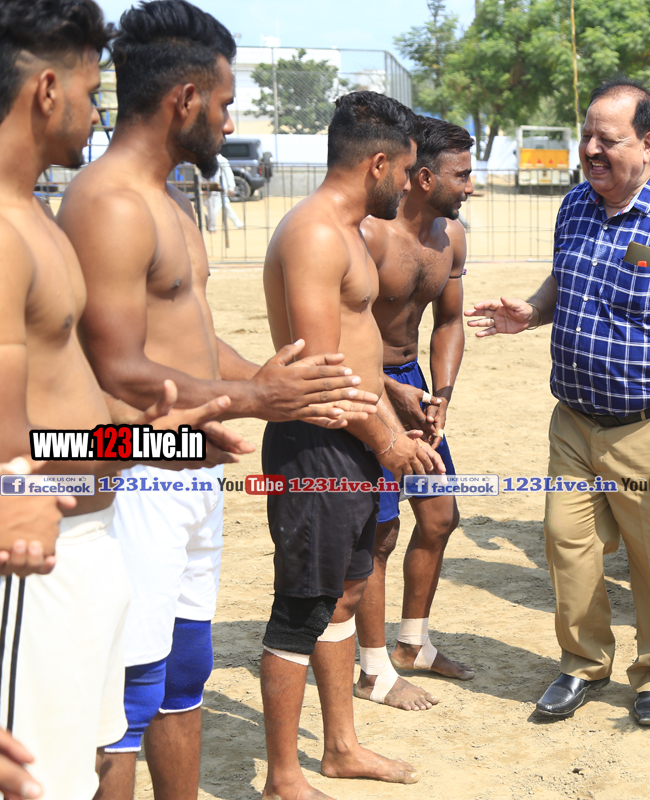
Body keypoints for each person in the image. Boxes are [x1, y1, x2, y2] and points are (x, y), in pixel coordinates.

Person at [56, 3, 376, 798]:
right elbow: (115, 368)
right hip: (135, 474)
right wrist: (255, 395)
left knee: (184, 669)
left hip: (190, 476)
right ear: (186, 99)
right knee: (127, 690)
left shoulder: (167, 199)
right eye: (227, 104)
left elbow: (193, 346)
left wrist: (279, 386)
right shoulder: (110, 202)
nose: (230, 122)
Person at [0, 2, 249, 795]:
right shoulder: (19, 229)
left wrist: (166, 440)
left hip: (91, 531)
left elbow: (66, 424)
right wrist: (13, 491)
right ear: (47, 91)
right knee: (49, 778)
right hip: (40, 553)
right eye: (87, 90)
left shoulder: (35, 220)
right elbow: (17, 446)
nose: (95, 109)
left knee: (89, 756)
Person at [466, 78, 650, 727]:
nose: (590, 149)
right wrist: (532, 311)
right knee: (567, 545)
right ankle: (584, 662)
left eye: (606, 140)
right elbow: (566, 278)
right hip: (574, 423)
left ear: (647, 143)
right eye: (586, 136)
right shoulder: (575, 206)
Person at [261, 90, 445, 796]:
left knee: (344, 594)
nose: (408, 184)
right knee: (302, 606)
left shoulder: (347, 231)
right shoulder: (313, 233)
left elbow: (352, 345)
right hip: (318, 444)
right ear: (377, 164)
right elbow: (319, 371)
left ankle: (340, 746)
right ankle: (283, 777)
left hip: (357, 433)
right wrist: (389, 441)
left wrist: (394, 393)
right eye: (404, 170)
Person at [355, 115, 474, 710]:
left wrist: (440, 394)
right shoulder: (371, 235)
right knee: (379, 532)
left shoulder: (451, 236)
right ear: (424, 178)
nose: (471, 186)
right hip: (364, 388)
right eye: (462, 175)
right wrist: (386, 389)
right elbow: (334, 335)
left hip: (415, 387)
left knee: (439, 516)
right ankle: (373, 669)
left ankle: (412, 644)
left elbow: (448, 322)